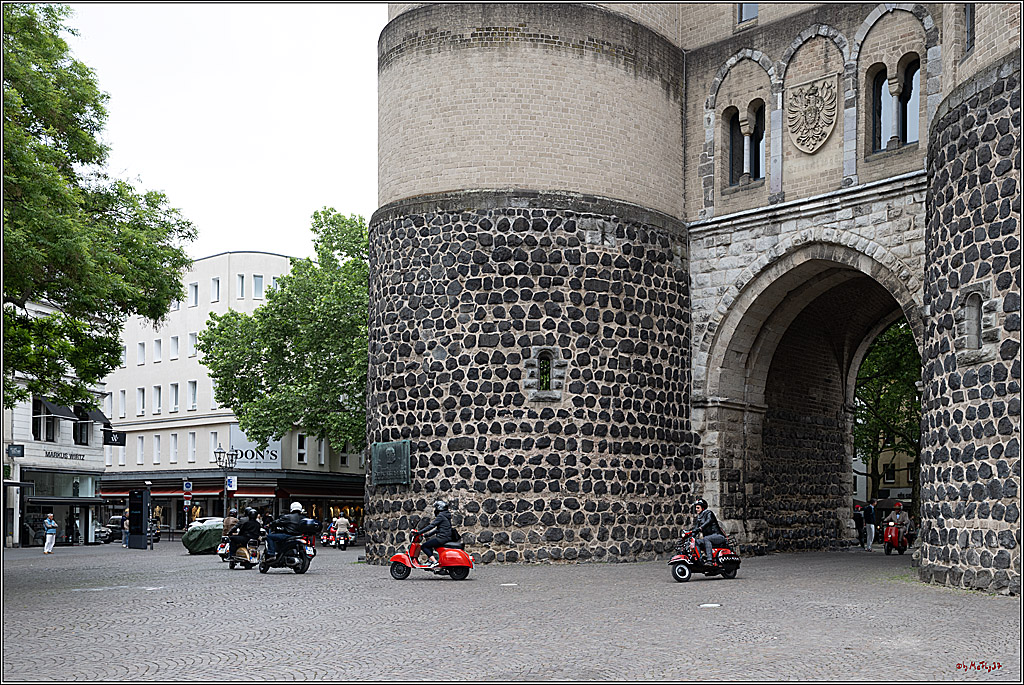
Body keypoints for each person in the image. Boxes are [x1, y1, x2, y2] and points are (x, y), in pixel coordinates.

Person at [415, 499, 453, 568]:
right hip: (446, 537)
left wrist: (419, 532)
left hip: (442, 538)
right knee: (429, 544)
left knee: (424, 546)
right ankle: (430, 560)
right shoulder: (446, 515)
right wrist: (427, 535)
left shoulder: (441, 516)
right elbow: (438, 529)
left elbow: (431, 526)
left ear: (439, 508)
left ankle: (434, 562)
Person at [692, 498, 727, 566]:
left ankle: (709, 560)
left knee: (706, 538)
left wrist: (700, 528)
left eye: (698, 508)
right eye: (696, 508)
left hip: (718, 536)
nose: (696, 509)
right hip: (709, 538)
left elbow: (708, 521)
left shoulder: (709, 513)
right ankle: (700, 559)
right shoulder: (699, 518)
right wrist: (690, 534)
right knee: (696, 541)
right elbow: (695, 528)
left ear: (703, 508)